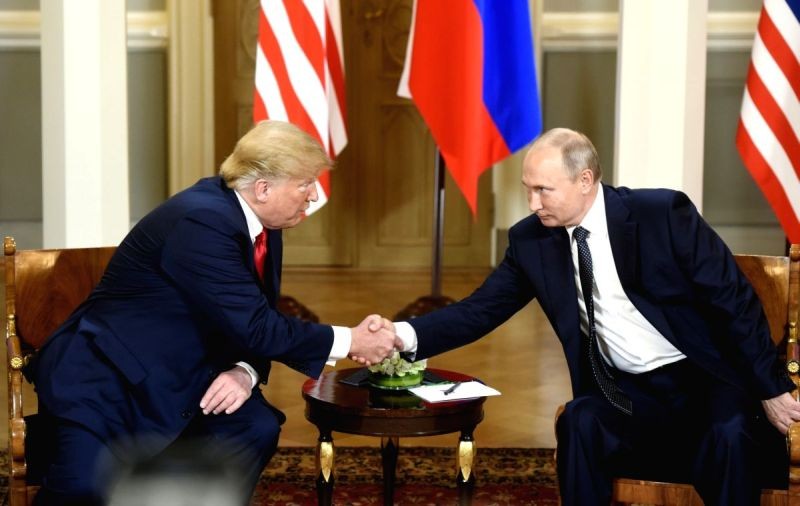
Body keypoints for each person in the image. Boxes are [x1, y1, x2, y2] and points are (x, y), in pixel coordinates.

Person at [380, 128, 800, 505]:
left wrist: (769, 387)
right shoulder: (532, 240)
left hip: (703, 381)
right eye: (528, 190)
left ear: (585, 181)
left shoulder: (662, 215)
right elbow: (479, 310)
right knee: (581, 421)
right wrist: (400, 335)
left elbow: (734, 300)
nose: (532, 203)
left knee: (728, 435)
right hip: (626, 394)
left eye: (543, 190)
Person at [30, 120, 400, 505]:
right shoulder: (202, 221)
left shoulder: (260, 226)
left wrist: (245, 371)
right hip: (108, 381)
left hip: (185, 373)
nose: (313, 195)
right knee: (81, 492)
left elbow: (250, 315)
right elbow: (257, 325)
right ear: (263, 188)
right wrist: (352, 340)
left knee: (253, 429)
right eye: (305, 184)